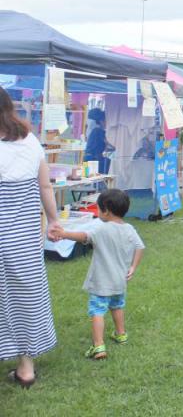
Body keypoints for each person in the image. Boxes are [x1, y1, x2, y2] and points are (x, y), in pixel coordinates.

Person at [0, 86, 60, 388]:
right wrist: (54, 220)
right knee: (26, 299)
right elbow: (45, 186)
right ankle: (26, 368)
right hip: (24, 240)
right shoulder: (29, 140)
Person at [52, 189, 145, 360]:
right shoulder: (130, 229)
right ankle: (121, 334)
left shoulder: (101, 229)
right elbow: (140, 247)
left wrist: (63, 234)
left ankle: (98, 346)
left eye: (98, 208)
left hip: (101, 282)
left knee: (97, 311)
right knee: (117, 306)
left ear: (106, 210)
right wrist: (133, 267)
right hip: (120, 281)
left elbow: (83, 236)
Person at [84, 107, 115, 174]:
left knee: (87, 178)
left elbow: (105, 147)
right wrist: (116, 147)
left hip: (87, 159)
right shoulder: (99, 130)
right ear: (101, 121)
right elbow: (108, 144)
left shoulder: (93, 130)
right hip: (93, 160)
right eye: (106, 120)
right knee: (97, 177)